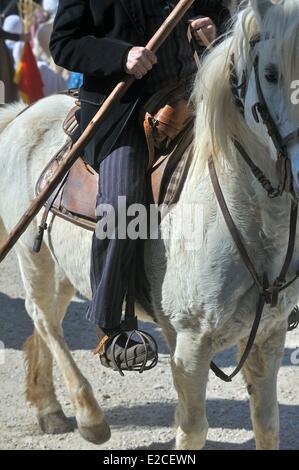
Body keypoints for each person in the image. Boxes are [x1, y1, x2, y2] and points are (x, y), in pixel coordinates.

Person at [50, 0, 230, 372]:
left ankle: (275, 287)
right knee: (123, 207)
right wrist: (122, 56)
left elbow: (222, 17)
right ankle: (112, 325)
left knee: (260, 160)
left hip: (191, 96)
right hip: (124, 110)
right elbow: (64, 44)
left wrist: (216, 32)